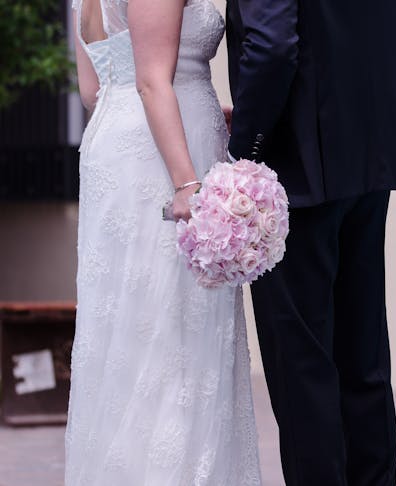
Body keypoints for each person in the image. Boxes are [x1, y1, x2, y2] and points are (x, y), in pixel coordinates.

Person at [226, 0, 396, 484]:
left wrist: (245, 154)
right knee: (363, 352)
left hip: (291, 175)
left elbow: (273, 45)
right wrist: (379, 128)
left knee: (301, 363)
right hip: (370, 165)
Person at [65, 0, 261, 484]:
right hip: (163, 163)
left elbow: (94, 90)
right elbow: (153, 80)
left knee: (132, 328)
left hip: (120, 147)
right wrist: (187, 183)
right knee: (172, 331)